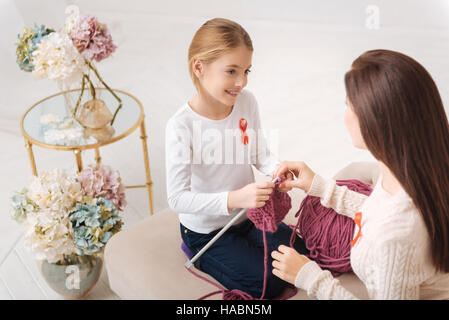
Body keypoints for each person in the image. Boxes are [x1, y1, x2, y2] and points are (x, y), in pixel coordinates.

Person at [271, 49, 449, 299]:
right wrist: (320, 187)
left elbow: (391, 228)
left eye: (349, 106)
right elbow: (380, 212)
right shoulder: (415, 173)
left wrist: (312, 278)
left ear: (376, 122)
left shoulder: (394, 240)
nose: (344, 116)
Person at [165, 17, 308, 299]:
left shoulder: (246, 102)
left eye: (246, 71)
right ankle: (195, 250)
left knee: (301, 254)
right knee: (268, 284)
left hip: (247, 216)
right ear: (199, 67)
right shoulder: (181, 126)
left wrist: (276, 169)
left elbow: (258, 152)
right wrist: (235, 198)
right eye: (231, 71)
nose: (241, 82)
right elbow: (177, 198)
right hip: (206, 231)